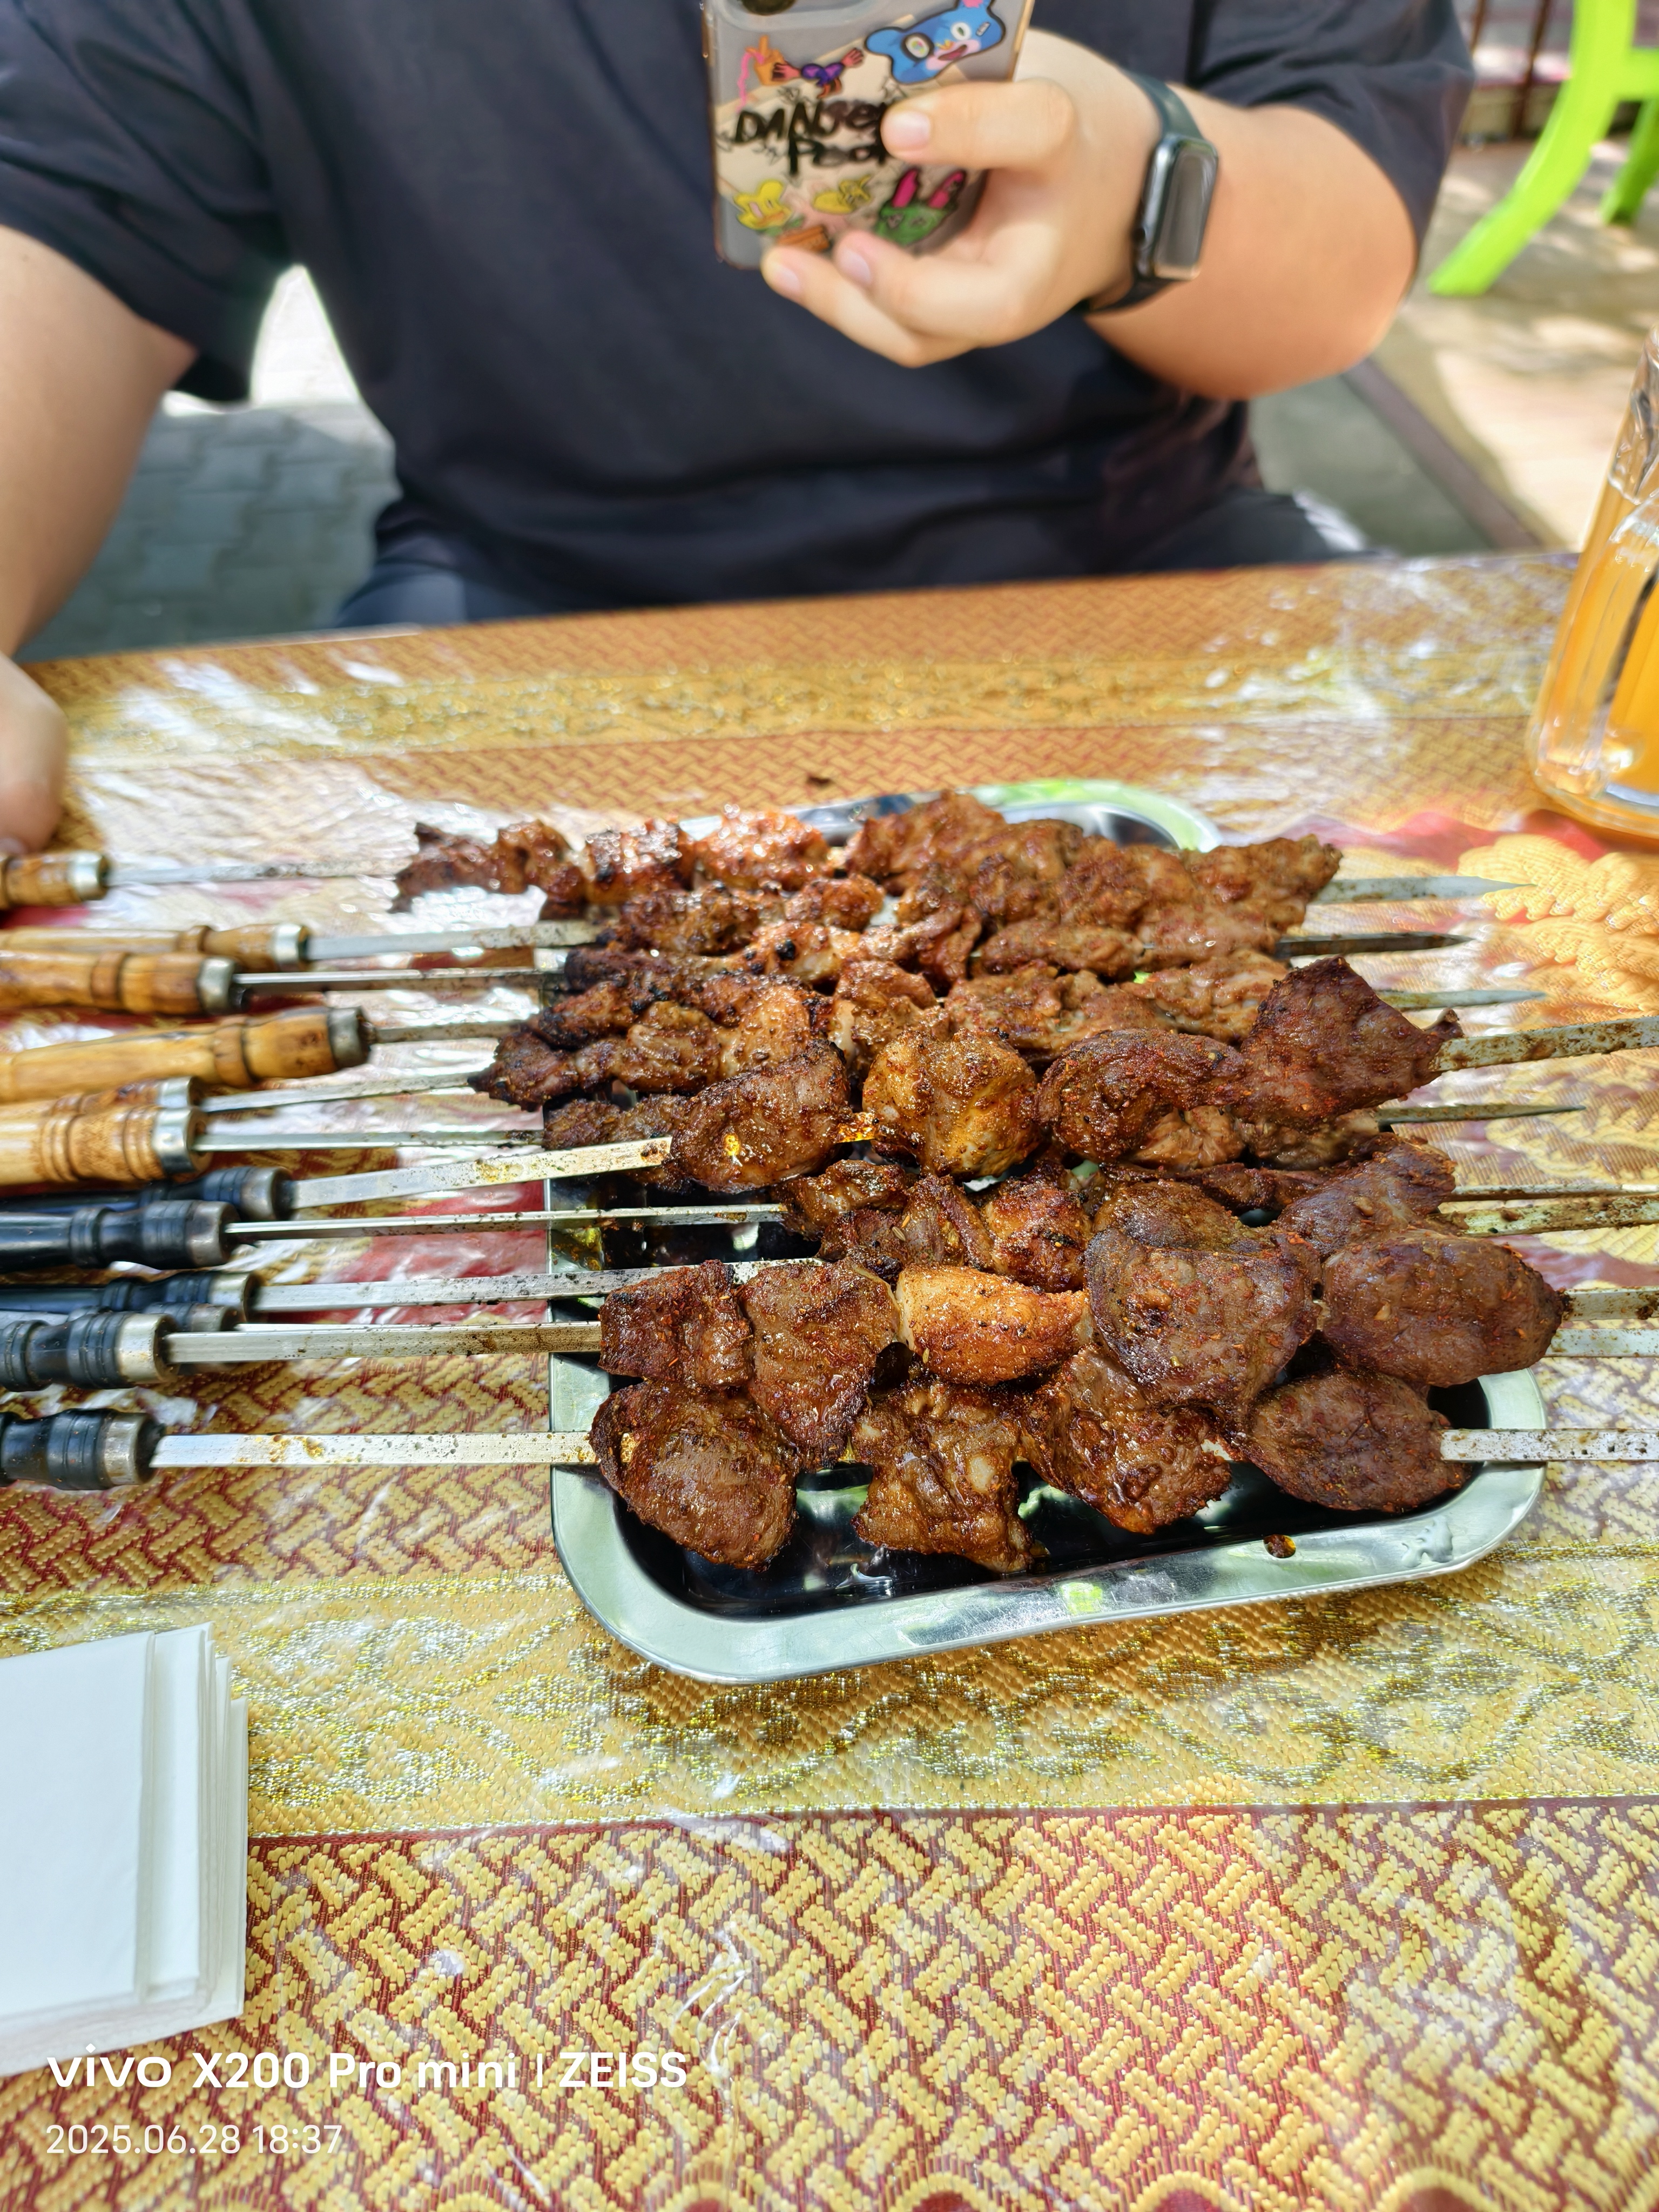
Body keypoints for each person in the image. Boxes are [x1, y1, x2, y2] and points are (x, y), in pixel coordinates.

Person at [0, 1, 1471, 851]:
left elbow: (1349, 248)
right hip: (525, 599)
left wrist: (1143, 180)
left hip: (1149, 570)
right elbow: (55, 223)